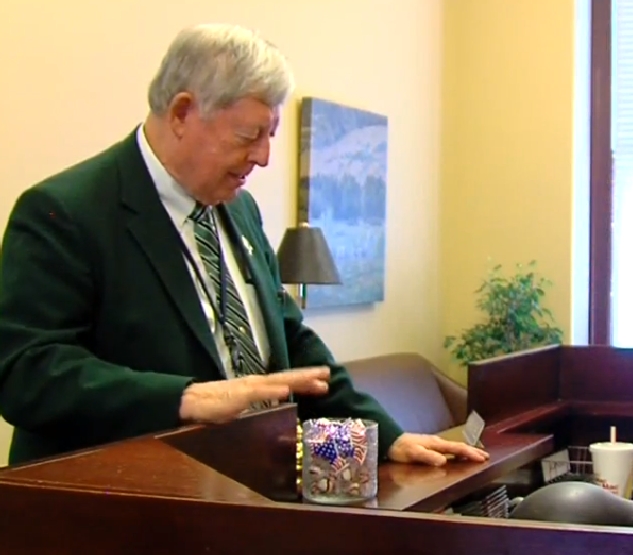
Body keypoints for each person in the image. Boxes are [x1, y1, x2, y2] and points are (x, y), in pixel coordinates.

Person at [0, 23, 489, 468]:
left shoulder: (241, 209)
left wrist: (386, 437)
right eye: (248, 136)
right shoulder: (64, 212)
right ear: (182, 112)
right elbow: (26, 371)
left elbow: (291, 341)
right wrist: (185, 398)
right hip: (114, 507)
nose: (263, 157)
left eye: (270, 135)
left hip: (241, 497)